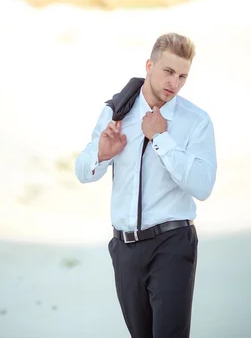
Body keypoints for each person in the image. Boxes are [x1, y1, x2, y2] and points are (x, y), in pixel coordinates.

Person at [74, 32, 217, 338]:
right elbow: (83, 171)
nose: (174, 84)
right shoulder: (117, 112)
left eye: (182, 76)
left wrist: (162, 139)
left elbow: (203, 186)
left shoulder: (196, 121)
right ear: (149, 65)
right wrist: (102, 154)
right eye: (168, 72)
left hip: (172, 243)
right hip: (125, 249)